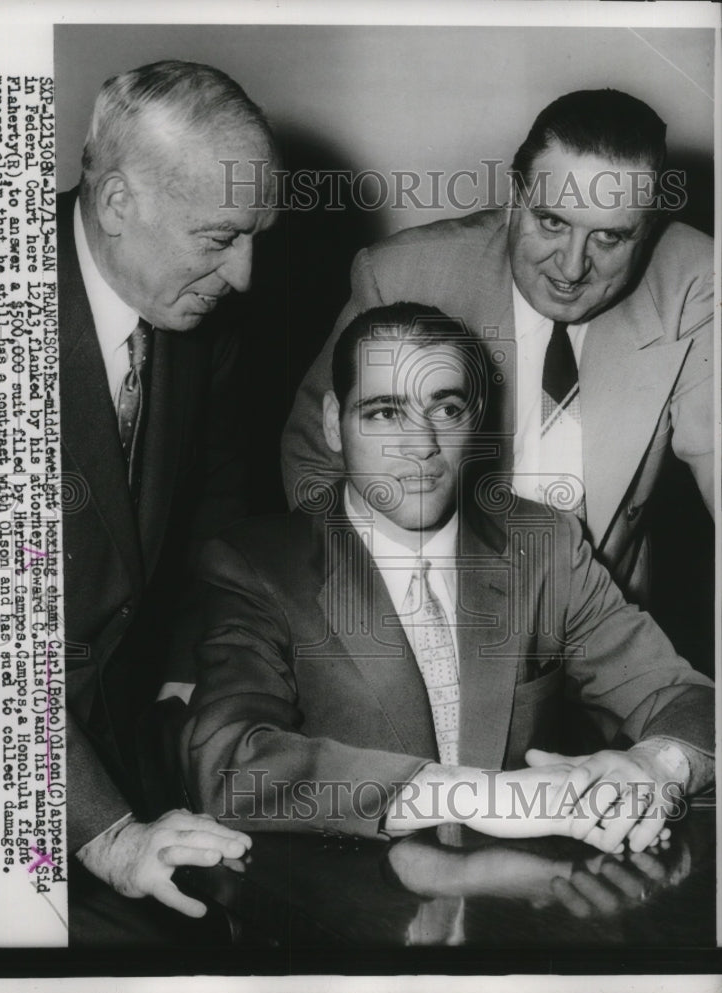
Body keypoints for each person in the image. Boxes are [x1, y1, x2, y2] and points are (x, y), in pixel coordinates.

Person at [180, 303, 713, 854]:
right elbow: (228, 765)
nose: (421, 444)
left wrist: (657, 767)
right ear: (332, 425)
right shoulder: (256, 564)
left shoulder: (544, 543)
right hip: (345, 915)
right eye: (385, 412)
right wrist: (481, 796)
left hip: (524, 911)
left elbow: (686, 697)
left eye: (447, 408)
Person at [281, 89, 713, 609]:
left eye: (610, 239)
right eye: (552, 221)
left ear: (648, 231)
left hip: (605, 614)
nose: (572, 268)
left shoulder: (692, 279)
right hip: (429, 604)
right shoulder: (401, 275)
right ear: (514, 197)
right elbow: (315, 457)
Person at [57, 60, 277, 939]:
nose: (246, 275)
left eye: (256, 235)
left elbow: (216, 515)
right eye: (220, 237)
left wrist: (193, 674)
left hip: (116, 738)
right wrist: (108, 834)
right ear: (117, 204)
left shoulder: (189, 314)